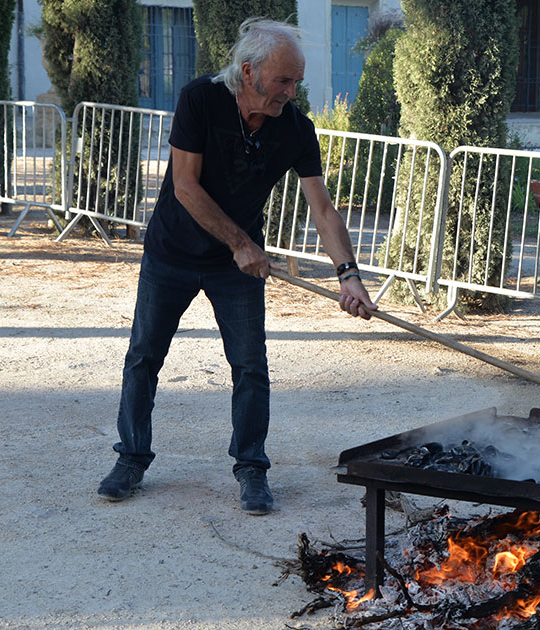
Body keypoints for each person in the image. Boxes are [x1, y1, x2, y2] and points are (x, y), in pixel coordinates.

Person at [97, 18, 376, 515]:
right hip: (172, 253)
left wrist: (348, 275)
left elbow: (323, 208)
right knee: (143, 357)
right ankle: (131, 458)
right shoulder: (200, 99)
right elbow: (185, 186)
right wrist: (241, 243)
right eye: (283, 80)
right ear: (249, 72)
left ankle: (251, 469)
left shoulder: (296, 128)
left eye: (297, 81)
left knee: (250, 366)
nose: (291, 92)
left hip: (237, 268)